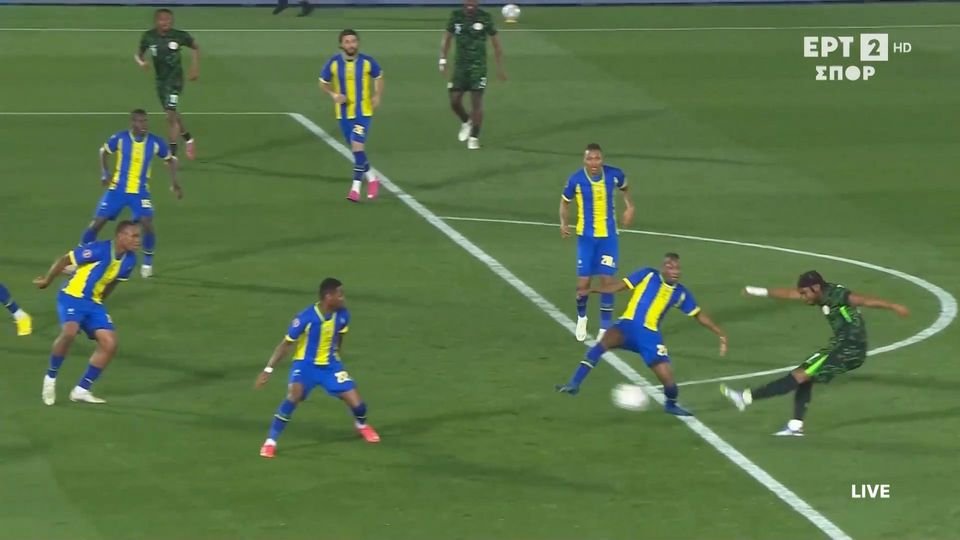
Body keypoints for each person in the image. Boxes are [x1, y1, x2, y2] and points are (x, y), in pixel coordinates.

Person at [721, 270, 909, 436]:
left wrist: (893, 306)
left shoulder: (837, 295)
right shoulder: (821, 295)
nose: (803, 297)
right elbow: (790, 294)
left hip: (850, 349)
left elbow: (864, 300)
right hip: (839, 346)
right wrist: (756, 291)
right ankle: (795, 426)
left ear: (816, 288)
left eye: (805, 293)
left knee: (799, 375)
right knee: (806, 376)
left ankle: (745, 398)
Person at [557, 253, 728, 416]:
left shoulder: (680, 293)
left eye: (677, 268)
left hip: (649, 337)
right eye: (670, 267)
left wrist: (720, 333)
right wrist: (592, 290)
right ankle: (574, 384)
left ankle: (671, 405)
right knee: (601, 345)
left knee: (668, 380)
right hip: (626, 326)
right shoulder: (647, 274)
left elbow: (698, 314)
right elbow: (619, 286)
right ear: (663, 267)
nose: (675, 271)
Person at [255, 278, 380, 458]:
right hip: (305, 366)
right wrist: (268, 370)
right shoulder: (305, 318)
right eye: (340, 295)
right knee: (293, 397)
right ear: (329, 297)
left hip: (330, 366)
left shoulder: (343, 314)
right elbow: (286, 344)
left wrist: (337, 359)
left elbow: (339, 336)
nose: (343, 298)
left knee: (358, 405)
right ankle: (270, 442)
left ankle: (361, 425)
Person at [35, 221, 140, 406]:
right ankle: (50, 378)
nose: (138, 240)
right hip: (72, 296)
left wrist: (100, 303)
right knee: (69, 332)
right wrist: (47, 281)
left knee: (110, 343)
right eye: (134, 236)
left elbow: (113, 282)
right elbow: (65, 260)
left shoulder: (130, 260)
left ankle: (81, 390)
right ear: (121, 236)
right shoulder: (99, 249)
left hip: (93, 303)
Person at [78, 109, 181, 279]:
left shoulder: (155, 142)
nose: (144, 125)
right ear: (133, 123)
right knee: (97, 223)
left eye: (146, 121)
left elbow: (170, 160)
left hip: (139, 192)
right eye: (140, 121)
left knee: (147, 222)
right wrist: (105, 173)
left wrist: (175, 183)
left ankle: (147, 262)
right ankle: (81, 254)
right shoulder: (120, 138)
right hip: (117, 189)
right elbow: (103, 151)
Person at [559, 143, 634, 342]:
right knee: (583, 283)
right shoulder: (575, 180)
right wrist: (563, 223)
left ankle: (604, 327)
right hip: (586, 238)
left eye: (597, 158)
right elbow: (565, 202)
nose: (594, 162)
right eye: (590, 158)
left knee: (607, 282)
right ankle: (582, 318)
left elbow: (625, 188)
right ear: (584, 161)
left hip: (608, 238)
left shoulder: (614, 175)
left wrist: (629, 207)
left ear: (602, 159)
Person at [319, 29, 384, 202]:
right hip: (343, 114)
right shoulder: (333, 63)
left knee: (357, 147)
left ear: (358, 43)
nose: (351, 45)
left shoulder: (367, 62)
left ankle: (355, 189)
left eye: (353, 41)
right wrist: (333, 94)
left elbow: (379, 76)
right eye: (347, 42)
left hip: (363, 112)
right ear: (341, 45)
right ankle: (372, 178)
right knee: (357, 152)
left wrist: (377, 95)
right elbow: (323, 82)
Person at [439, 0, 506, 150]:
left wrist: (500, 68)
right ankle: (466, 121)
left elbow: (496, 44)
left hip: (478, 68)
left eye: (473, 2)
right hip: (460, 68)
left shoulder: (485, 17)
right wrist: (442, 60)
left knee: (476, 102)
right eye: (468, 2)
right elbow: (447, 38)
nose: (471, 5)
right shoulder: (455, 16)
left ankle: (474, 137)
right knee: (454, 101)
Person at [135, 8, 200, 159]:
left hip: (175, 81)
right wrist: (142, 63)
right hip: (161, 82)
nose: (166, 22)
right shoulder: (149, 37)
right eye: (163, 20)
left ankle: (172, 154)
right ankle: (188, 139)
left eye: (169, 20)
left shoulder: (179, 35)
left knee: (170, 115)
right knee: (172, 114)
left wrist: (194, 68)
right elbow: (138, 55)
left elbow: (196, 47)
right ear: (156, 21)